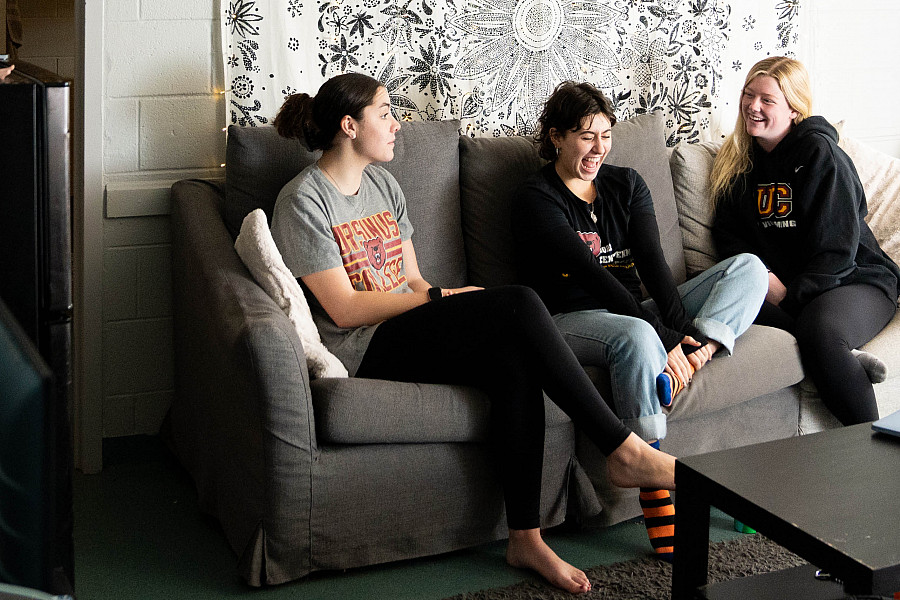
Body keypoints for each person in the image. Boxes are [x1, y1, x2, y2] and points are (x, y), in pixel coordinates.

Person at [269, 72, 677, 594]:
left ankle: (525, 538)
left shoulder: (383, 186)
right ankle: (622, 449)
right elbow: (343, 309)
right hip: (364, 345)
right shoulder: (304, 200)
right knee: (519, 301)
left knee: (515, 358)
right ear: (349, 126)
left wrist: (445, 299)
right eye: (385, 113)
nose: (396, 124)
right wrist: (441, 299)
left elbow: (413, 280)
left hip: (408, 324)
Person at [511, 81, 768, 560]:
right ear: (556, 138)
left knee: (749, 269)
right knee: (637, 334)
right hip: (566, 320)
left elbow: (654, 268)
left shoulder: (626, 184)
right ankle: (650, 482)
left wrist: (682, 338)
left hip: (634, 311)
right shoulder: (536, 198)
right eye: (585, 136)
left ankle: (704, 351)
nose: (598, 148)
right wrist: (663, 338)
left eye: (605, 135)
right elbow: (593, 277)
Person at [711, 56, 900, 426]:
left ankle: (872, 448)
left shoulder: (820, 153)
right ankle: (845, 359)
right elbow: (728, 236)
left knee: (819, 331)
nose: (752, 106)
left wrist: (790, 295)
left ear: (794, 109)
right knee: (719, 304)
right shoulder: (738, 160)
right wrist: (762, 277)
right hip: (789, 289)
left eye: (767, 100)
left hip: (855, 280)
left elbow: (837, 250)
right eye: (748, 95)